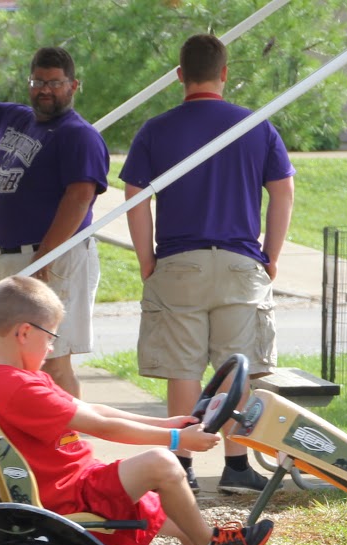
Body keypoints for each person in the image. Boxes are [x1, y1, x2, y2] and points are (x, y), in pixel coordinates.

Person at [0, 276, 272, 545]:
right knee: (163, 465)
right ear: (25, 332)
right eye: (50, 337)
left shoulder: (9, 377)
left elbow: (95, 410)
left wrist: (164, 423)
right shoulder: (20, 387)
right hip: (68, 494)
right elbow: (103, 427)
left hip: (72, 483)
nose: (51, 347)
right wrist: (175, 438)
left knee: (178, 514)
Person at [119, 33, 295, 495]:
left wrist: (145, 259)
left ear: (180, 75)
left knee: (184, 369)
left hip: (178, 261)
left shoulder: (156, 129)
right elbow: (283, 190)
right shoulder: (255, 126)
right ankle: (237, 466)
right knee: (237, 369)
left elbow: (134, 195)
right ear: (224, 73)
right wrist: (271, 254)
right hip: (240, 261)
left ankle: (183, 464)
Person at [0, 46, 108, 398]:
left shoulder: (78, 135)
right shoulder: (12, 118)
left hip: (51, 263)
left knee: (53, 361)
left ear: (73, 85)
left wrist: (44, 257)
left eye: (54, 82)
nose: (44, 90)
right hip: (9, 260)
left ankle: (65, 443)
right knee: (15, 360)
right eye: (38, 81)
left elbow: (80, 197)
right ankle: (31, 441)